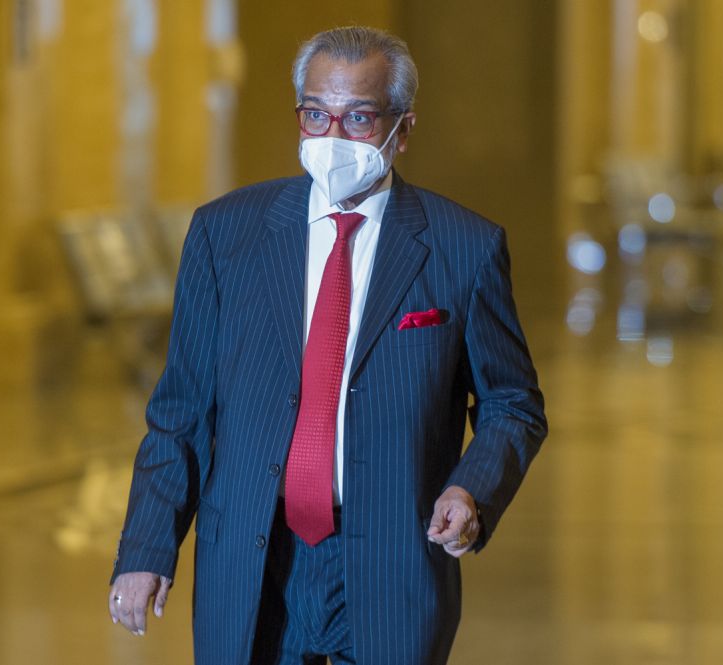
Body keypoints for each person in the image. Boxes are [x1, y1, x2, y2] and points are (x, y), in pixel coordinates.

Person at [107, 25, 547, 665]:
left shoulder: (463, 248)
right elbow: (180, 412)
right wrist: (147, 549)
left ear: (404, 129)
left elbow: (512, 401)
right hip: (253, 556)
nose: (333, 138)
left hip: (390, 563)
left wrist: (471, 488)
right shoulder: (225, 235)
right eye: (316, 115)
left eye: (358, 119)